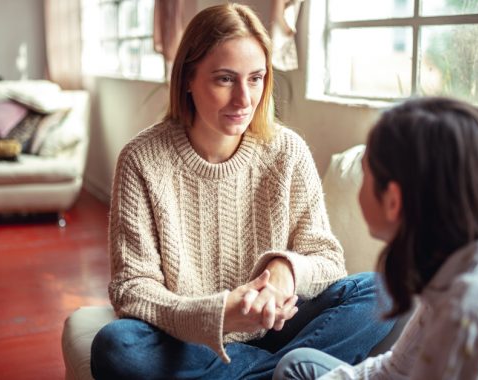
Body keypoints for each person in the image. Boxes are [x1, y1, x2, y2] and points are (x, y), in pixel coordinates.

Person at [89, 3, 395, 379]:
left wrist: (285, 270)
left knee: (382, 289)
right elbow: (132, 289)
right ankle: (283, 373)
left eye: (256, 78)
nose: (244, 99)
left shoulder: (287, 150)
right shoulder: (142, 160)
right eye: (224, 79)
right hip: (191, 340)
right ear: (187, 78)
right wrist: (220, 314)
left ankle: (264, 370)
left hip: (280, 331)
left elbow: (327, 258)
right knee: (116, 347)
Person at [273, 97, 478, 380]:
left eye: (366, 170)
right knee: (297, 364)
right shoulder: (464, 264)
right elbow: (396, 368)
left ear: (393, 199)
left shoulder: (469, 312)